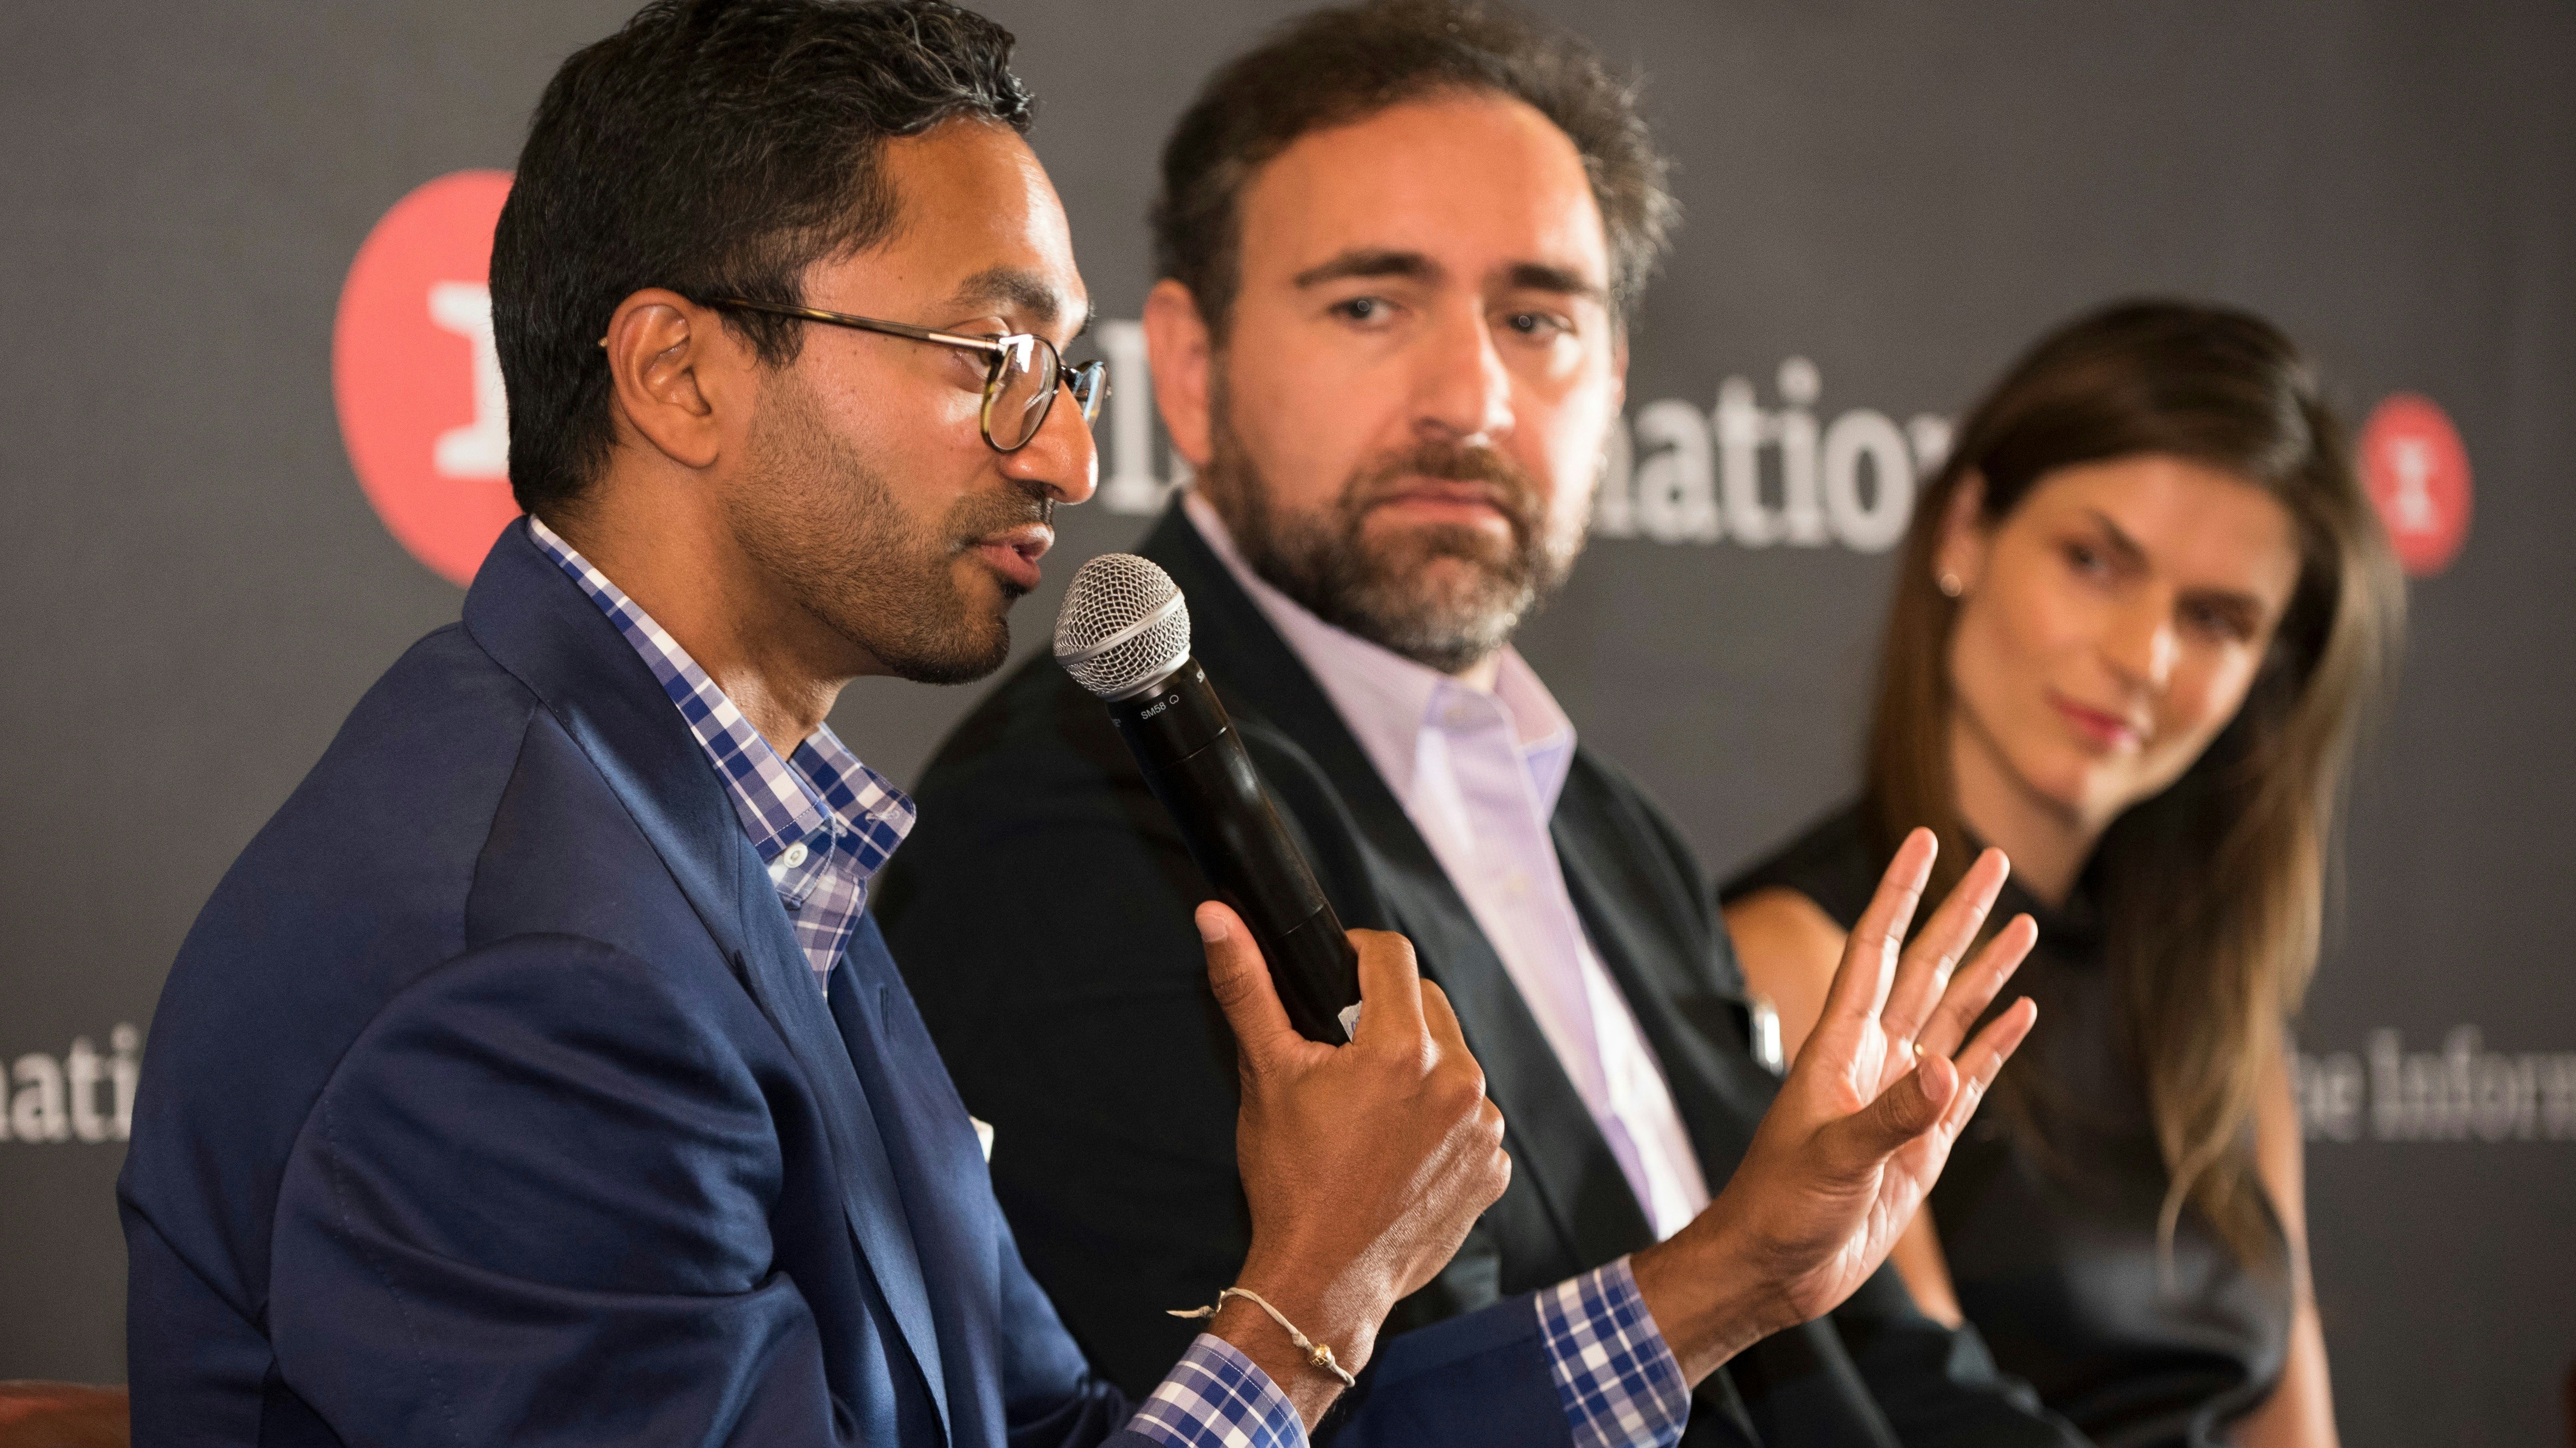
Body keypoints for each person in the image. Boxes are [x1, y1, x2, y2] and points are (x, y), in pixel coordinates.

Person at [116, 4, 1524, 1443]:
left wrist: (1739, 1275)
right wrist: (1308, 1307)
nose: (1071, 452)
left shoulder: (749, 837)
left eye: (1064, 369)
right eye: (993, 355)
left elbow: (1038, 1429)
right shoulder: (536, 973)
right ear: (679, 374)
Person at [875, 3, 2076, 1443]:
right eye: (1371, 306)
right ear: (1191, 369)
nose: (1471, 398)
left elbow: (1855, 1355)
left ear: (1617, 380)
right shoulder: (1078, 816)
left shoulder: (1613, 827)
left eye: (1539, 319)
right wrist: (1724, 1276)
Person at [1721, 300, 2404, 1448]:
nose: (2143, 656)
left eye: (2217, 620)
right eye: (2094, 562)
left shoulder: (2221, 1021)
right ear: (1965, 532)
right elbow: (1923, 1417)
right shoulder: (1800, 961)